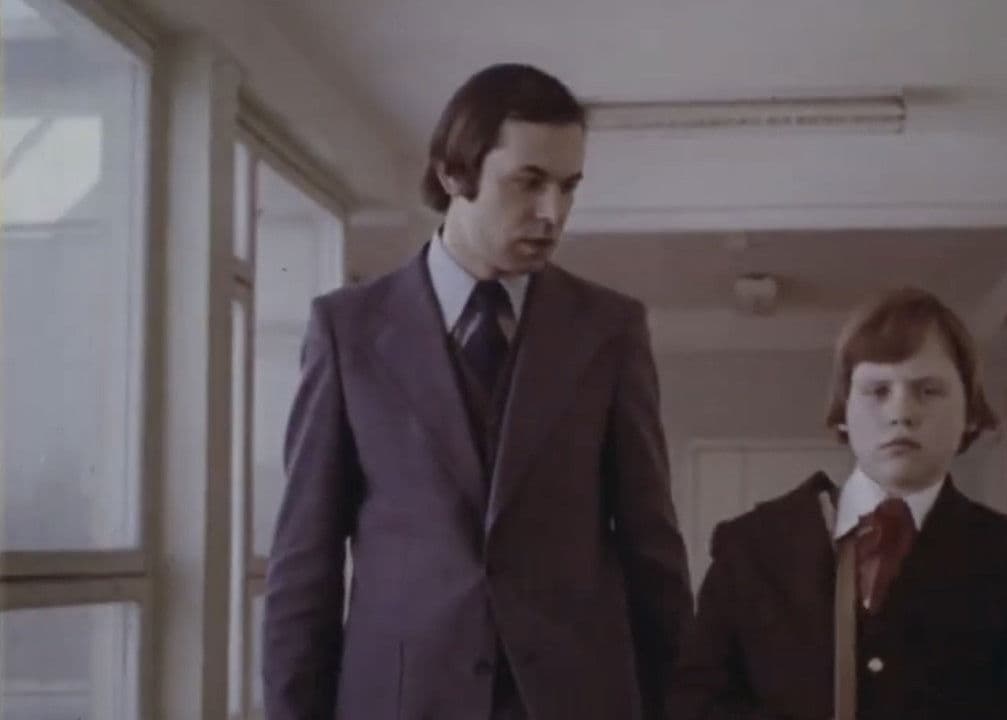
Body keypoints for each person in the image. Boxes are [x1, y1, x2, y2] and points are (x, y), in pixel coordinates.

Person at [263, 63, 693, 720]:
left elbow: (652, 552)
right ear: (453, 174)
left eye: (568, 187)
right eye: (529, 182)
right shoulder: (348, 332)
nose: (553, 213)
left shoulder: (609, 330)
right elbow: (305, 565)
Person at [666, 287, 1007, 720]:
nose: (901, 413)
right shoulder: (751, 547)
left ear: (970, 414)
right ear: (843, 411)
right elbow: (693, 708)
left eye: (929, 391)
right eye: (877, 391)